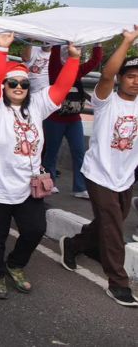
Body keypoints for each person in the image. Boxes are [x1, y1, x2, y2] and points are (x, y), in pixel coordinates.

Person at [0, 32, 79, 299]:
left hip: (26, 187)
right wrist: (2, 50)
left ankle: (15, 265)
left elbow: (61, 89)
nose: (19, 87)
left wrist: (74, 59)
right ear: (4, 85)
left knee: (35, 229)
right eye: (13, 83)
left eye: (24, 84)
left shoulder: (37, 106)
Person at [59, 27, 138, 307]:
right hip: (99, 173)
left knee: (108, 223)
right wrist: (127, 41)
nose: (135, 82)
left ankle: (75, 245)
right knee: (114, 227)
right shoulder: (106, 101)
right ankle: (117, 283)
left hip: (125, 177)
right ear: (120, 79)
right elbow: (105, 75)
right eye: (130, 76)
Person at [42, 44, 103, 199]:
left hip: (74, 119)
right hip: (54, 118)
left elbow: (95, 61)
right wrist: (59, 39)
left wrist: (98, 44)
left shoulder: (77, 70)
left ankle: (80, 187)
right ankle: (50, 183)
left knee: (79, 151)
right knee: (51, 152)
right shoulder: (55, 69)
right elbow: (55, 54)